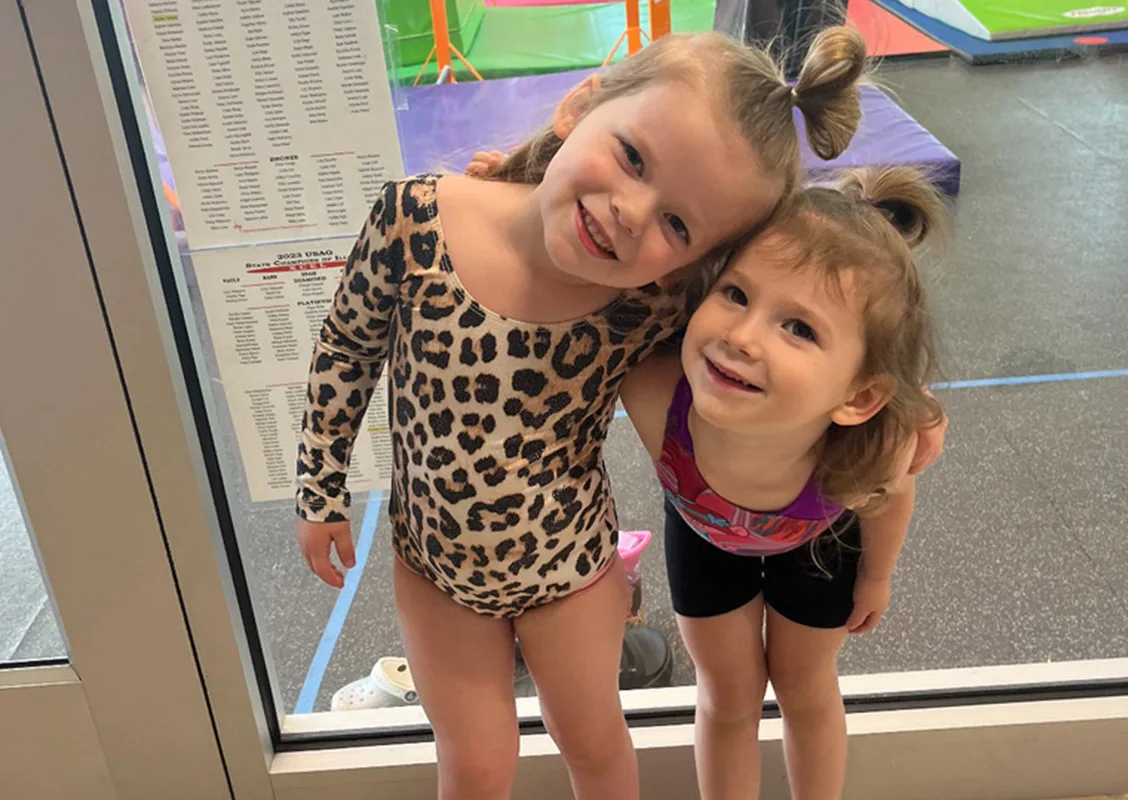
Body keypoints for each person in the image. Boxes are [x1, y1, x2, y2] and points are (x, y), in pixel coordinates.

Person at [295, 26, 871, 800]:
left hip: (568, 569)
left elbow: (764, 336)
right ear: (579, 105)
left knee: (595, 744)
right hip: (436, 571)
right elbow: (345, 349)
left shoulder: (654, 301)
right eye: (632, 157)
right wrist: (319, 486)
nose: (632, 212)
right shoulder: (416, 217)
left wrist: (887, 403)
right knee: (474, 761)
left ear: (690, 261)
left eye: (677, 225)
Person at [620, 165, 949, 800]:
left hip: (821, 545)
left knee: (806, 690)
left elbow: (892, 497)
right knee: (727, 697)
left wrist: (877, 576)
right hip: (704, 540)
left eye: (798, 328)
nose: (740, 338)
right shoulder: (654, 393)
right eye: (737, 294)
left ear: (858, 397)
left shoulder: (866, 449)